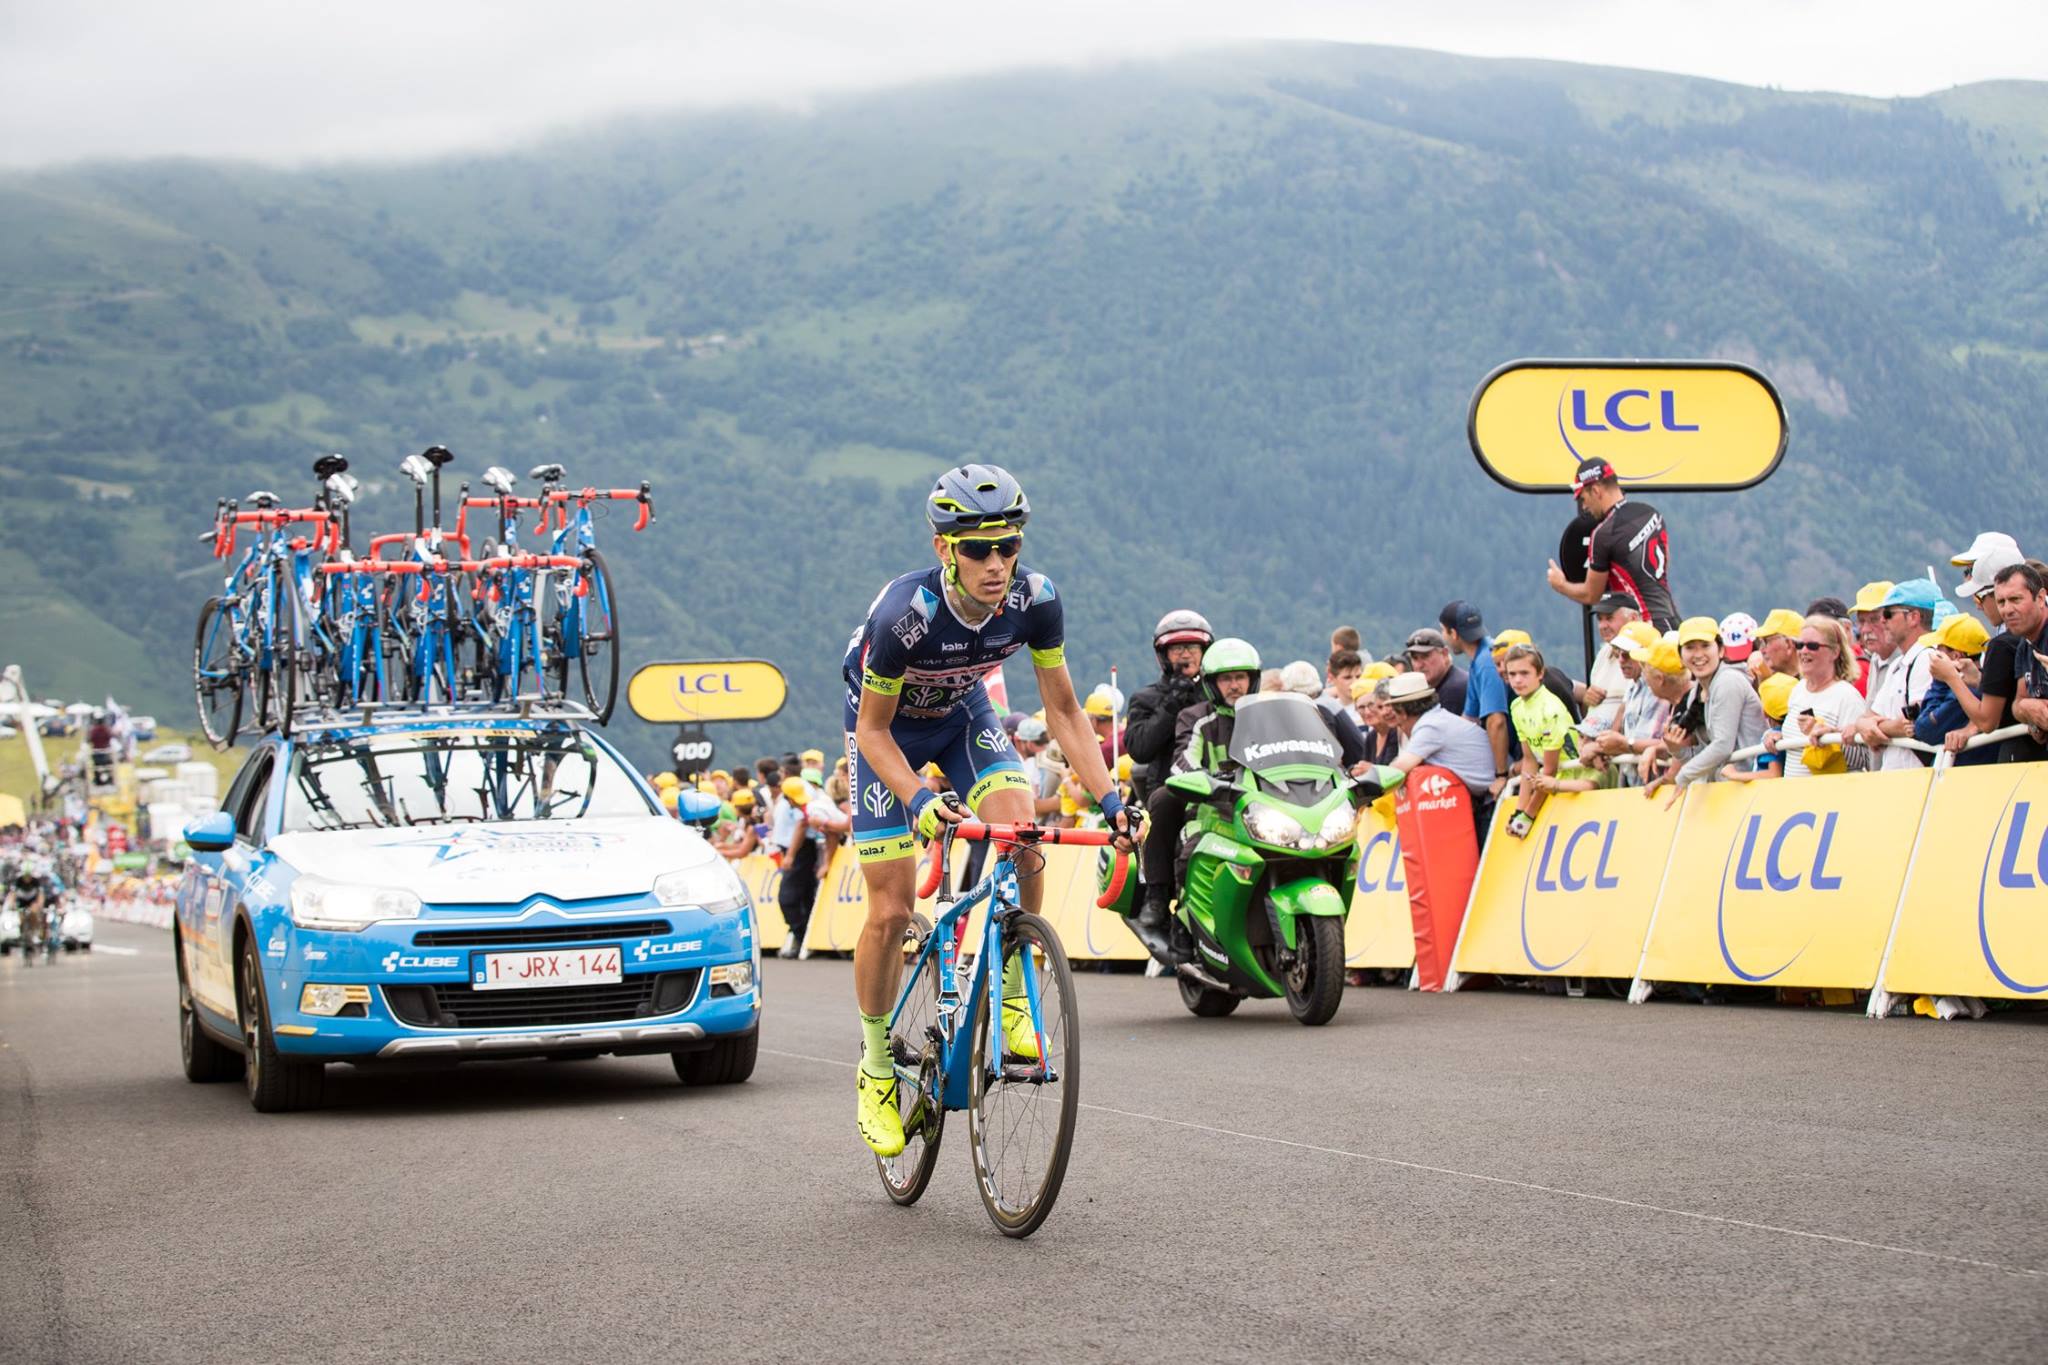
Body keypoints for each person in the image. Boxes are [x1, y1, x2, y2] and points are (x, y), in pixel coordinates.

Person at [841, 464, 1138, 1158]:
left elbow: (1063, 709)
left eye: (1009, 545)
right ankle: (878, 1066)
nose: (997, 562)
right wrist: (917, 798)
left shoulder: (1036, 600)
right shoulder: (903, 616)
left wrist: (1114, 800)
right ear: (945, 548)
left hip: (962, 716)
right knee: (888, 912)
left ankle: (1013, 977)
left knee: (1022, 826)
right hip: (885, 734)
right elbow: (875, 734)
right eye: (979, 548)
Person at [1134, 638, 1261, 962]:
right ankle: (1178, 915)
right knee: (1191, 845)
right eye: (1226, 679)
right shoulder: (1195, 717)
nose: (1234, 685)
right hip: (1211, 806)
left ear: (1253, 680)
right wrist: (1212, 780)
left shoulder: (1265, 716)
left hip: (1262, 806)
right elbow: (1182, 761)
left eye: (1240, 677)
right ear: (1213, 683)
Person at [1642, 618, 1767, 805]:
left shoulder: (1728, 682)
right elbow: (1706, 755)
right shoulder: (1696, 693)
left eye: (1705, 646)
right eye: (1690, 647)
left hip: (1752, 790)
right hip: (1728, 791)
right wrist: (1677, 750)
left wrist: (1683, 776)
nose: (1698, 654)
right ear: (1680, 655)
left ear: (1721, 650)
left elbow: (1722, 745)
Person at [1544, 458, 1678, 630]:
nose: (1584, 507)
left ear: (1596, 490)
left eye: (1583, 498)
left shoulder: (1604, 534)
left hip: (1646, 629)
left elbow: (1591, 594)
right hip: (1672, 619)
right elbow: (1665, 563)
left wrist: (1560, 585)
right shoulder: (1651, 513)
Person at [1385, 672, 1500, 839]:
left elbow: (1398, 769)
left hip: (1491, 801)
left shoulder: (1430, 726)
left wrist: (1369, 776)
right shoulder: (1437, 719)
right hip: (1485, 797)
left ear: (1402, 711)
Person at [1959, 561, 2048, 764]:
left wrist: (1950, 678)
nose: (2007, 610)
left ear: (2040, 598)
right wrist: (2030, 709)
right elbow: (2018, 702)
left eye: (2016, 600)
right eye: (2001, 602)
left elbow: (1987, 721)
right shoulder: (2025, 642)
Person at [1500, 643, 1592, 837]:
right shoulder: (1517, 706)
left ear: (1540, 674)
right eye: (1512, 674)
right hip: (1549, 783)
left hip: (1574, 780)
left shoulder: (1550, 709)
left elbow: (1550, 770)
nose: (1518, 680)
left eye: (1524, 673)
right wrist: (1519, 810)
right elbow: (1529, 760)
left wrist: (1529, 814)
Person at [1846, 579, 1939, 771]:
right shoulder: (1898, 664)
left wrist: (1873, 727)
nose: (1883, 621)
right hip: (1895, 776)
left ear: (1913, 617)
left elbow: (1916, 723)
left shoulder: (1928, 659)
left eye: (1888, 614)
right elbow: (1868, 716)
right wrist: (1864, 725)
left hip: (1919, 778)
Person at [1124, 610, 1213, 803]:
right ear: (1164, 655)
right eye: (1178, 649)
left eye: (1192, 648)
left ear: (1204, 652)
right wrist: (1173, 701)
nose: (1186, 655)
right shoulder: (1144, 698)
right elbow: (1140, 750)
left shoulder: (1215, 696)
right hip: (1167, 790)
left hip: (1215, 785)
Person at [1769, 615, 1867, 777]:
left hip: (1829, 797)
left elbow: (1863, 759)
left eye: (1813, 646)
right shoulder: (1798, 690)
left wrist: (1828, 739)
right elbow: (1795, 744)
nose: (1804, 651)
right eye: (1799, 645)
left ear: (1835, 652)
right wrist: (1776, 736)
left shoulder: (1847, 696)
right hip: (1793, 796)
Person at [1442, 601, 1512, 803]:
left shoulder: (1487, 662)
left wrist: (1501, 775)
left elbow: (1496, 720)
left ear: (1454, 634)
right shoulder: (1479, 657)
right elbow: (1469, 720)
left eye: (1443, 632)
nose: (1444, 638)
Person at [1917, 615, 1996, 767]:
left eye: (1939, 649)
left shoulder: (1965, 691)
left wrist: (1942, 680)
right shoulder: (1980, 685)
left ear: (1955, 656)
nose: (1933, 656)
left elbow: (1925, 729)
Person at [1724, 673, 1796, 782]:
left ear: (1765, 712)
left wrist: (1734, 774)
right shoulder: (1799, 732)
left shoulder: (1772, 736)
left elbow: (1774, 774)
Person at [1578, 593, 1639, 717]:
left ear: (1633, 618)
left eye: (1609, 618)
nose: (1602, 626)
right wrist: (1588, 699)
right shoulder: (1604, 652)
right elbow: (1589, 707)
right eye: (1599, 619)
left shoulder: (1644, 653)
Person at [1402, 628, 1467, 716]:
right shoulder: (1443, 685)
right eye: (1415, 658)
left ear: (1444, 654)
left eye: (1425, 656)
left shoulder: (1454, 690)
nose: (1419, 665)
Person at [1851, 582, 1898, 699]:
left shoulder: (1909, 662)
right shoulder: (1876, 659)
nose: (1866, 629)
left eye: (1874, 620)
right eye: (1861, 621)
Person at [1749, 608, 1803, 683]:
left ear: (1788, 644)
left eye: (1766, 641)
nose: (1761, 650)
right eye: (1760, 642)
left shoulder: (1811, 687)